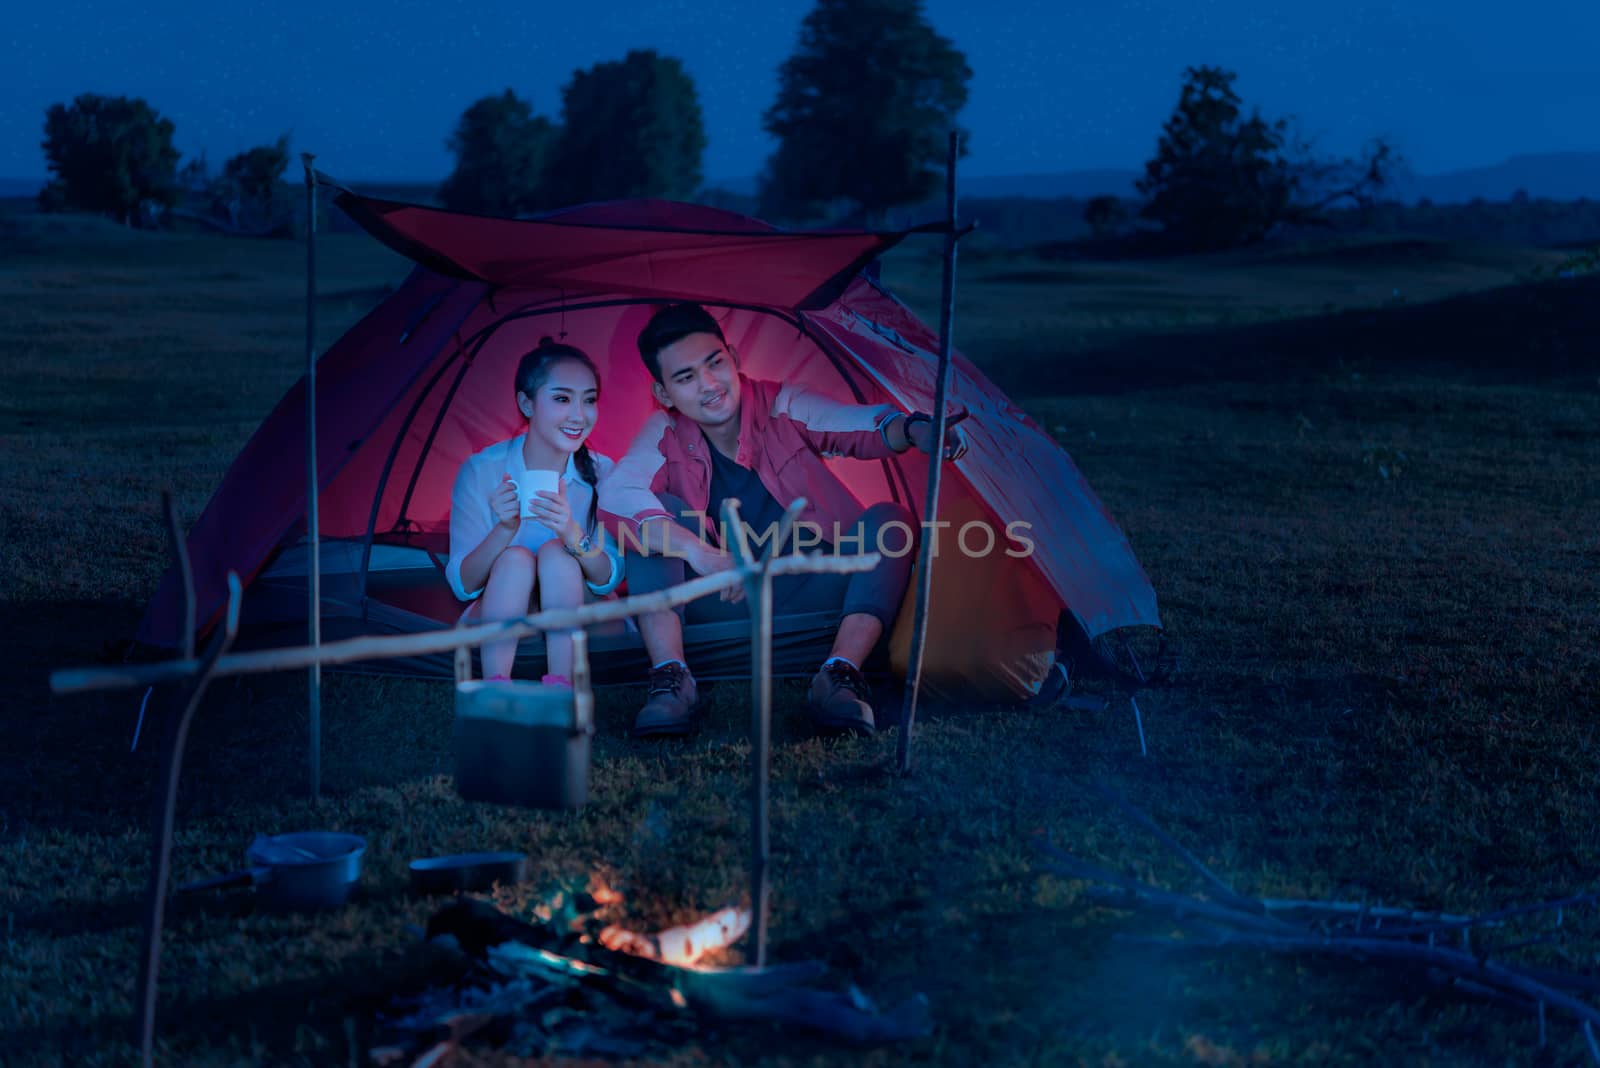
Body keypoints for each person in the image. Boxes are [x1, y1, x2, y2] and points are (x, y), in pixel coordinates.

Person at [600, 303, 968, 738]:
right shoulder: (663, 432)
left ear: (733, 359)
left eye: (715, 363)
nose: (709, 385)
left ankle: (839, 674)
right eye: (686, 377)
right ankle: (671, 679)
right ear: (664, 393)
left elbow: (858, 426)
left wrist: (911, 429)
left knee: (890, 520)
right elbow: (616, 497)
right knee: (653, 521)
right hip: (727, 599)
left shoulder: (782, 403)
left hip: (812, 589)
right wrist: (700, 552)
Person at [446, 338, 624, 683]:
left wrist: (570, 532)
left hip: (580, 606)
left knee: (557, 553)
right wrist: (504, 530)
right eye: (561, 399)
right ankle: (496, 686)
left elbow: (609, 577)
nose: (579, 415)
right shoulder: (481, 470)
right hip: (506, 604)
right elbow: (463, 584)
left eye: (589, 400)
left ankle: (562, 683)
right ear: (526, 404)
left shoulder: (603, 472)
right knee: (515, 559)